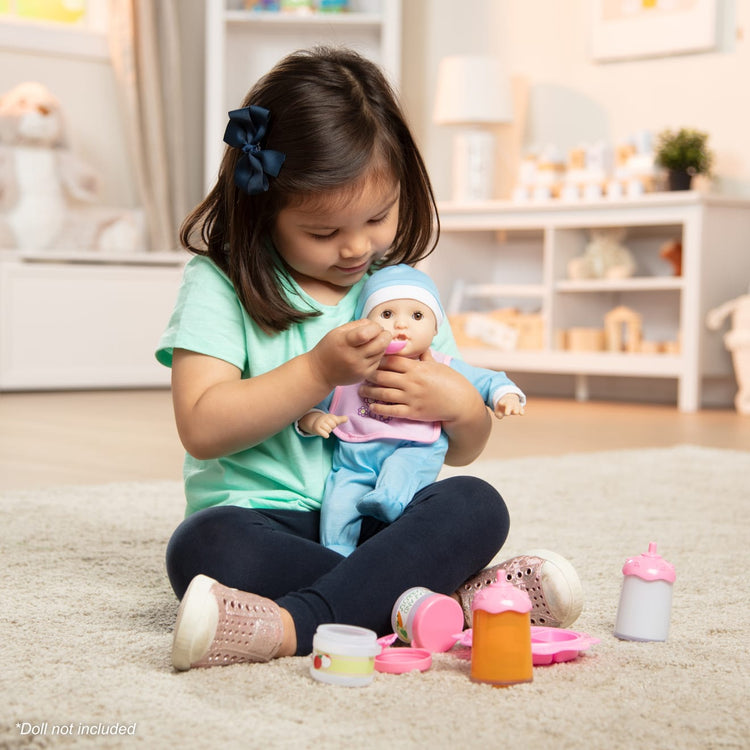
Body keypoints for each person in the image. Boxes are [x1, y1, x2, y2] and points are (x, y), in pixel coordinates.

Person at [156, 46, 582, 671]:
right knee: (204, 547)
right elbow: (202, 424)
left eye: (378, 217)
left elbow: (461, 447)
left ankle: (290, 626)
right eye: (323, 232)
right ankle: (448, 603)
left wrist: (462, 405)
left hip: (383, 512)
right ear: (263, 210)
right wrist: (318, 373)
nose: (357, 247)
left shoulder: (399, 291)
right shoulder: (218, 282)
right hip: (269, 520)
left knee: (476, 503)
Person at [298, 264, 526, 556]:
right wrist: (313, 418)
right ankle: (336, 550)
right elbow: (317, 395)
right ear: (363, 323)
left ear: (435, 328)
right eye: (387, 314)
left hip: (413, 447)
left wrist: (504, 395)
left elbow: (485, 379)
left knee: (403, 467)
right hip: (355, 457)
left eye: (416, 315)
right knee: (339, 498)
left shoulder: (441, 365)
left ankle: (389, 499)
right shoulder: (352, 364)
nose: (400, 325)